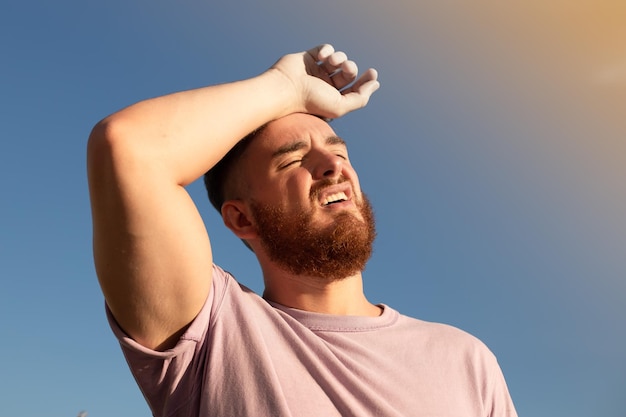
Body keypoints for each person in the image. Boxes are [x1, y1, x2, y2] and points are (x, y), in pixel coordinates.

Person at [87, 44, 517, 417]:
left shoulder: (465, 359)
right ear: (242, 219)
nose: (334, 166)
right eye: (293, 161)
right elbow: (128, 147)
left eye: (339, 152)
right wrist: (285, 86)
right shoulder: (212, 333)